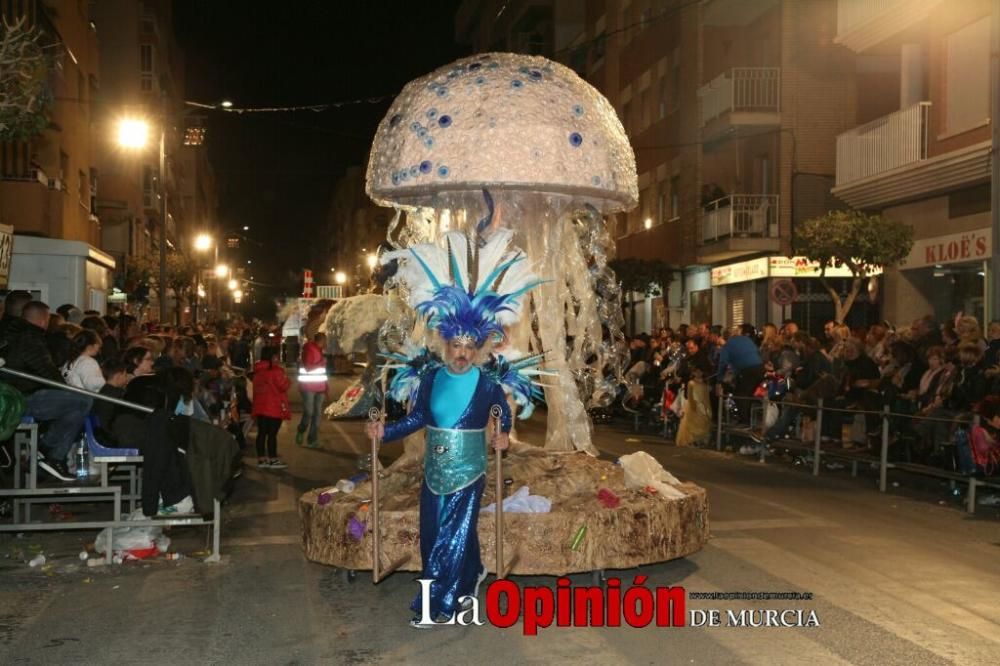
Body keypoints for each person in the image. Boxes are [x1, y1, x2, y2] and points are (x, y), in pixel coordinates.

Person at [366, 226, 539, 628]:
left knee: (450, 536)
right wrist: (384, 433)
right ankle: (470, 574)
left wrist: (502, 436)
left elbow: (503, 415)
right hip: (434, 469)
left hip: (469, 470)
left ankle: (437, 606)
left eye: (468, 348)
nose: (461, 354)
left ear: (478, 349)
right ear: (445, 344)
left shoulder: (488, 383)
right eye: (455, 346)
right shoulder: (430, 377)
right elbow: (417, 419)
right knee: (433, 535)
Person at [0, 300, 92, 481]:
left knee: (76, 408)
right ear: (43, 320)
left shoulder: (11, 332)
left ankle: (53, 456)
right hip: (22, 396)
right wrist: (65, 389)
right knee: (83, 401)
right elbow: (46, 370)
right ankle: (48, 450)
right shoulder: (30, 336)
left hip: (13, 395)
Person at [715, 324, 764, 425]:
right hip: (759, 368)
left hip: (747, 370)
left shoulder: (728, 345)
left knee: (740, 394)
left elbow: (723, 363)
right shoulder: (746, 340)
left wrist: (719, 378)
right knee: (749, 393)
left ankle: (744, 421)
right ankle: (751, 419)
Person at [252, 345, 291, 469]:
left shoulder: (257, 371)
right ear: (272, 357)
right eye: (276, 356)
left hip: (260, 407)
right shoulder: (276, 371)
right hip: (273, 407)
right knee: (272, 434)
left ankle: (261, 459)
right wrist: (288, 380)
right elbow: (283, 386)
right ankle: (273, 459)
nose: (278, 358)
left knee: (262, 433)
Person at [296, 332, 328, 447]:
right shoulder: (309, 350)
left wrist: (326, 388)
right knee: (309, 413)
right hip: (308, 387)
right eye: (325, 341)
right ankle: (301, 430)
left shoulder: (320, 351)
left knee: (317, 415)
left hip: (320, 387)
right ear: (322, 341)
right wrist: (321, 363)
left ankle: (312, 439)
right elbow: (308, 368)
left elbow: (323, 372)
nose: (326, 343)